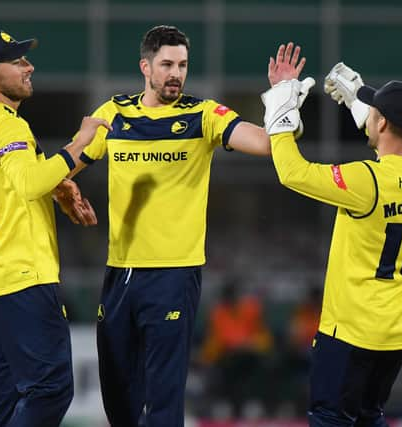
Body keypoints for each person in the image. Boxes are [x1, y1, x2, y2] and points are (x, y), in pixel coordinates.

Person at [63, 25, 289, 426]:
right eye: (166, 64)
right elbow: (67, 164)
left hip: (173, 274)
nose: (176, 74)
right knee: (118, 398)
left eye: (182, 65)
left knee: (165, 399)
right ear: (145, 67)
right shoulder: (114, 114)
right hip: (120, 273)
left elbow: (265, 143)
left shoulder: (203, 116)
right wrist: (64, 190)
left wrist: (282, 97)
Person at [261, 43, 402, 426]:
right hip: (395, 335)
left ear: (383, 123)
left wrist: (279, 106)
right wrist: (362, 102)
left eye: (374, 112)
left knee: (330, 418)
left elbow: (293, 172)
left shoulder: (366, 180)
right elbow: (390, 144)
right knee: (368, 416)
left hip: (351, 333)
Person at [0, 29, 110, 427]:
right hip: (22, 277)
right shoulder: (9, 128)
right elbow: (29, 183)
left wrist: (60, 186)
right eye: (17, 61)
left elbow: (19, 181)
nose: (29, 67)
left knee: (3, 401)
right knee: (50, 388)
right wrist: (80, 143)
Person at [200, 278, 274, 417]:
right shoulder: (217, 312)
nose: (232, 300)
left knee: (261, 363)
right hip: (225, 357)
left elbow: (264, 337)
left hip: (250, 355)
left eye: (234, 296)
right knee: (228, 365)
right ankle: (227, 404)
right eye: (228, 297)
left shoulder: (251, 309)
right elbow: (214, 340)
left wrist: (251, 344)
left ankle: (254, 404)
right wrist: (229, 346)